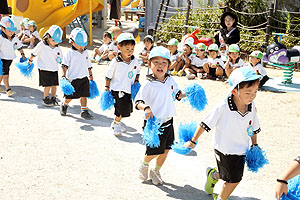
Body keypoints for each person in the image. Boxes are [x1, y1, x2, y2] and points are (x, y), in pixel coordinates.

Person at [185, 67, 262, 200]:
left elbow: (253, 127)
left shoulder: (252, 106)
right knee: (234, 179)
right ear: (234, 91)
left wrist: (254, 145)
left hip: (241, 149)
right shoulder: (223, 107)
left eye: (255, 92)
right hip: (224, 148)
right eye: (248, 93)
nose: (252, 96)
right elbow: (205, 123)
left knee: (229, 175)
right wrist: (193, 141)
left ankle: (213, 175)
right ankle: (221, 198)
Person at [136, 46, 186, 185]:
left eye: (164, 63)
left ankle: (156, 170)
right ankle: (144, 163)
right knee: (153, 151)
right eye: (156, 62)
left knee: (166, 150)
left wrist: (186, 93)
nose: (160, 66)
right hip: (154, 124)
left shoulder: (170, 80)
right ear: (149, 64)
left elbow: (177, 94)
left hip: (168, 121)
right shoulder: (148, 84)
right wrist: (145, 107)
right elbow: (138, 101)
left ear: (169, 65)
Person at [105, 33, 140, 136]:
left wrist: (136, 81)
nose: (130, 52)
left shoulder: (135, 61)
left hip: (128, 89)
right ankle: (116, 125)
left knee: (126, 109)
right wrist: (107, 87)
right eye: (127, 49)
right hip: (117, 89)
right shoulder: (115, 62)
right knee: (120, 108)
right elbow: (108, 75)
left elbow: (137, 72)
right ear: (119, 47)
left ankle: (116, 122)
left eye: (132, 49)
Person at [60, 28, 94, 119]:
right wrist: (63, 76)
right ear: (71, 42)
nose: (81, 47)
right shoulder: (69, 53)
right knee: (70, 97)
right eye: (79, 45)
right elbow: (64, 65)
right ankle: (64, 104)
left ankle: (84, 111)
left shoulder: (85, 52)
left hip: (84, 78)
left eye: (83, 45)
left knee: (84, 96)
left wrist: (90, 75)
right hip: (73, 79)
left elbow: (88, 65)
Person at [28, 25, 63, 106]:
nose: (55, 42)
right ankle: (45, 98)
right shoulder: (41, 45)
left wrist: (60, 60)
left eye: (57, 41)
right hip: (44, 68)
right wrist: (30, 60)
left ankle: (53, 98)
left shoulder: (57, 47)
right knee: (48, 85)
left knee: (54, 85)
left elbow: (60, 57)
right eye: (53, 40)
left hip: (54, 68)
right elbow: (34, 52)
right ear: (48, 36)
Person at [0, 17, 26, 96]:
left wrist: (22, 54)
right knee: (6, 74)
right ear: (2, 29)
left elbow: (19, 46)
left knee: (2, 73)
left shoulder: (14, 37)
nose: (11, 32)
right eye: (9, 31)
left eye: (12, 31)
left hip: (10, 58)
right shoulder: (0, 38)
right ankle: (8, 90)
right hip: (2, 58)